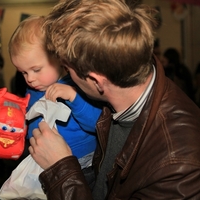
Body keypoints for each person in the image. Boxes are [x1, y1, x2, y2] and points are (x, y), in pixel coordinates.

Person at [28, 0, 200, 199]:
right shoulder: (122, 84)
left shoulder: (178, 168)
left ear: (96, 81)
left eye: (67, 69)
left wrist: (62, 170)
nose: (65, 76)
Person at [9, 15, 103, 185]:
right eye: (23, 72)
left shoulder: (77, 84)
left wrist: (74, 97)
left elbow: (98, 123)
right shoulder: (32, 90)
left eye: (36, 69)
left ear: (60, 58)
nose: (29, 78)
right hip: (42, 162)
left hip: (83, 163)